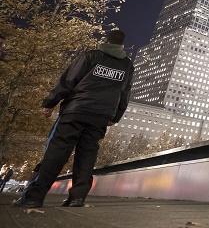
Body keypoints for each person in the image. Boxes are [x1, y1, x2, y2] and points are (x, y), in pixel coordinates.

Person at [13, 30, 134, 208]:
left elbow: (69, 80)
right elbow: (125, 94)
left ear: (106, 40)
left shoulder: (91, 56)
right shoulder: (127, 66)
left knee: (57, 152)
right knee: (87, 155)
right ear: (122, 45)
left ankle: (34, 197)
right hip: (101, 116)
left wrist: (50, 102)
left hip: (76, 110)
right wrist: (115, 117)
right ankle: (77, 198)